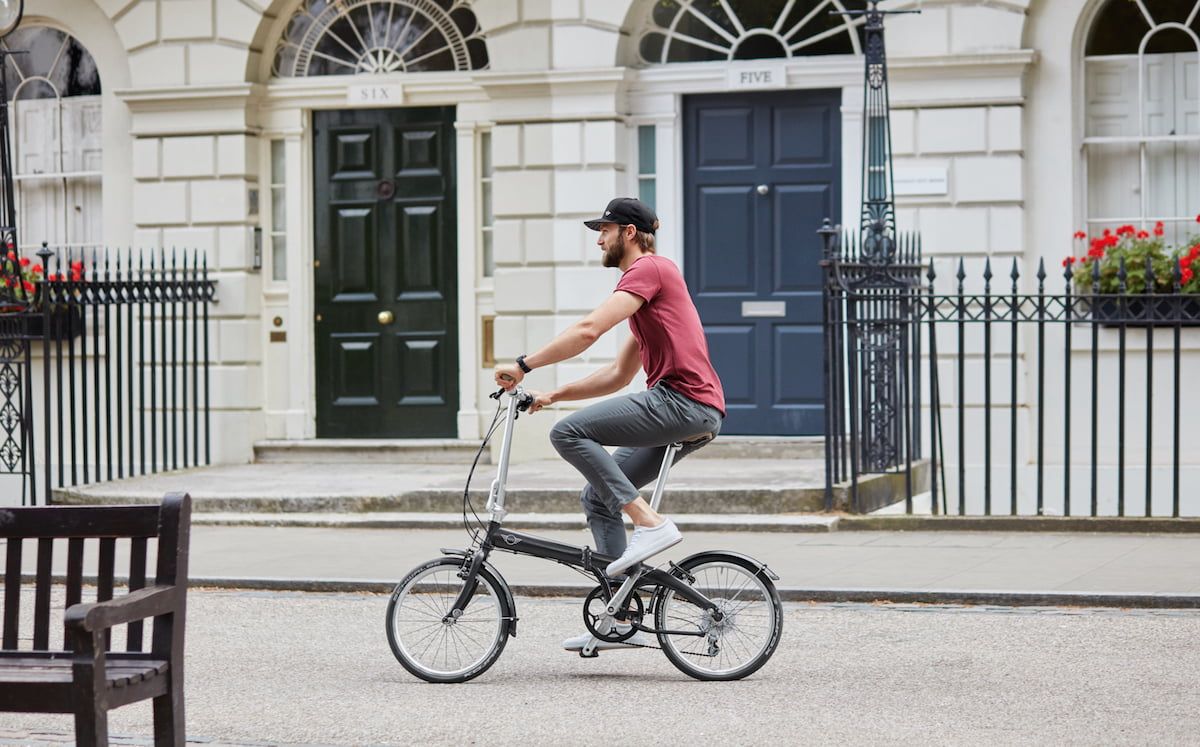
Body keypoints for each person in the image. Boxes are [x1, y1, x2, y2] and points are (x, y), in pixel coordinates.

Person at [493, 197, 726, 652]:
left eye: (605, 229)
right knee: (597, 498)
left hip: (682, 402)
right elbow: (617, 376)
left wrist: (525, 364)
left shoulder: (649, 271)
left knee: (568, 433)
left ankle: (650, 524)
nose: (599, 238)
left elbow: (588, 330)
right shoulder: (647, 299)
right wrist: (553, 394)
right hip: (693, 409)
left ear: (629, 233)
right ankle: (619, 617)